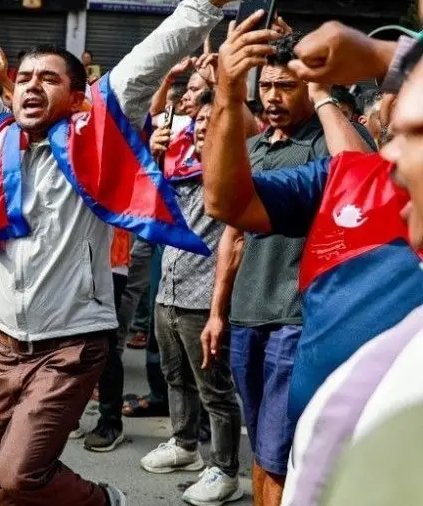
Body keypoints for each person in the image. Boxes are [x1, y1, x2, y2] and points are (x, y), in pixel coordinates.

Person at [0, 0, 229, 503]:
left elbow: (152, 55)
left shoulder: (97, 135)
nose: (32, 87)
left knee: (20, 473)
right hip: (1, 341)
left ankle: (106, 500)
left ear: (77, 96)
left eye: (49, 79)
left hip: (70, 342)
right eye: (24, 78)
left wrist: (205, 7)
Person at [203, 13, 414, 506]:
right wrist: (228, 95)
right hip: (317, 457)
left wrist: (380, 59)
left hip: (388, 473)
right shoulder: (345, 179)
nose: (396, 154)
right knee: (268, 456)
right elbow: (228, 206)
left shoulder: (336, 147)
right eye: (398, 125)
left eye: (419, 130)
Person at [141, 90, 244, 505]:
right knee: (175, 377)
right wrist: (153, 154)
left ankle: (225, 469)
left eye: (211, 120)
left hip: (204, 301)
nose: (202, 126)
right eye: (198, 121)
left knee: (215, 391)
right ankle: (185, 446)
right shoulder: (180, 169)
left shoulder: (234, 170)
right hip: (168, 292)